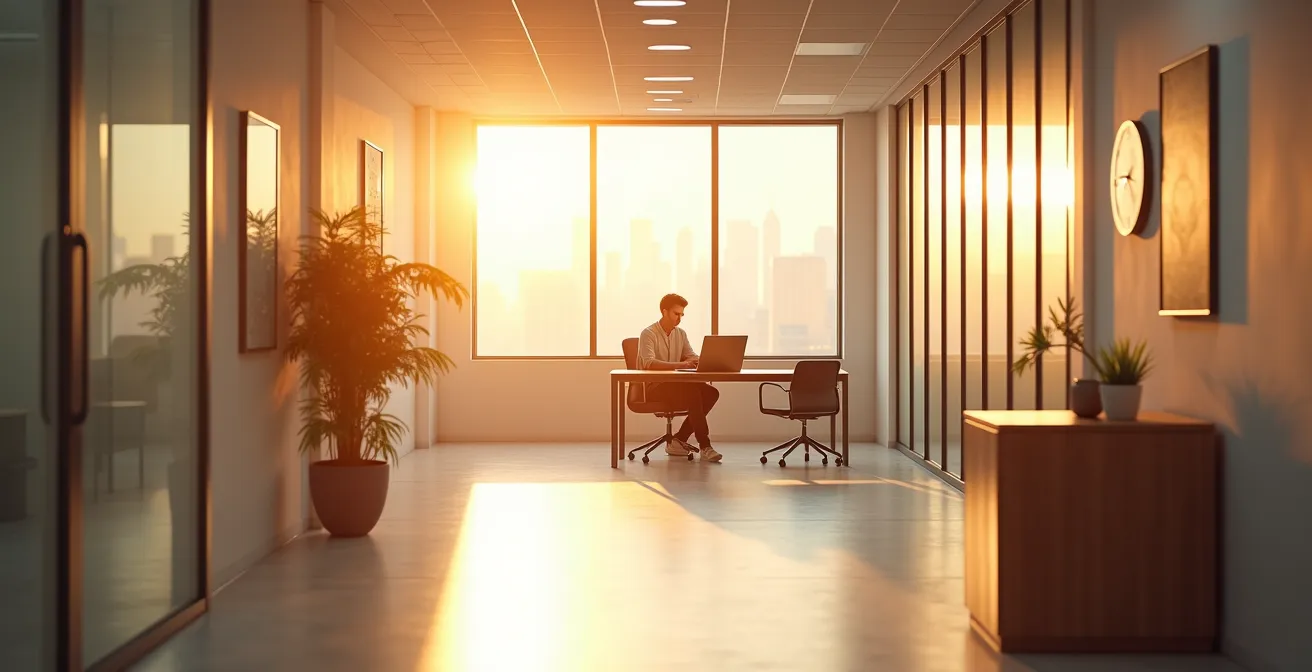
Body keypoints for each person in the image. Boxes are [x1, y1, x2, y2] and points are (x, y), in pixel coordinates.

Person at [637, 294, 723, 463]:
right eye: (676, 314)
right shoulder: (648, 333)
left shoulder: (681, 334)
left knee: (711, 393)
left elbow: (690, 355)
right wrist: (682, 364)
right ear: (664, 312)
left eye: (682, 314)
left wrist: (705, 360)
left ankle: (679, 439)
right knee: (693, 392)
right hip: (655, 387)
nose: (679, 318)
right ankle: (705, 446)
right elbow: (649, 363)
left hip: (677, 386)